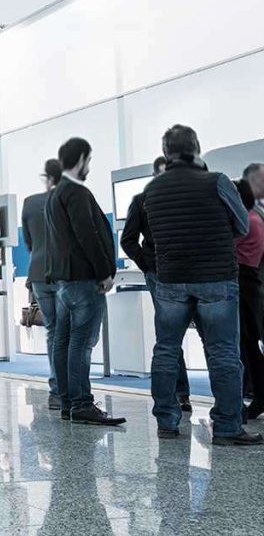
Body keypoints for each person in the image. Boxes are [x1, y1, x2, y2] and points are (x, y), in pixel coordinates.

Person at [143, 125, 260, 445]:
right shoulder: (217, 181)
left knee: (166, 351)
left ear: (166, 152)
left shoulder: (152, 190)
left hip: (170, 281)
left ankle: (167, 421)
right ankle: (226, 426)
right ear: (196, 149)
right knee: (223, 351)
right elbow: (240, 224)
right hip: (216, 278)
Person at [45, 137, 124, 426]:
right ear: (80, 160)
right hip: (83, 281)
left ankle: (68, 401)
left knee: (64, 342)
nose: (89, 166)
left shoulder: (54, 195)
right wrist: (105, 271)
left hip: (64, 283)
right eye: (88, 160)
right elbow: (87, 234)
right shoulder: (76, 192)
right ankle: (81, 403)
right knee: (81, 344)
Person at [120, 156, 194, 413]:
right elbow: (128, 239)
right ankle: (179, 393)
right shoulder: (141, 201)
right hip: (159, 275)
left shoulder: (186, 198)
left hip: (190, 273)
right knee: (169, 335)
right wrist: (147, 264)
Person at [21, 158, 62, 408]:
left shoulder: (30, 203)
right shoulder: (69, 200)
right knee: (71, 333)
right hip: (65, 274)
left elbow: (28, 243)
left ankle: (56, 391)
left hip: (37, 274)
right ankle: (72, 392)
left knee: (53, 331)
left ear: (46, 178)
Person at [234, 178, 264, 421]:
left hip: (243, 281)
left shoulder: (245, 220)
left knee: (246, 343)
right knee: (249, 342)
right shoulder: (255, 217)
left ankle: (258, 393)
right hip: (250, 281)